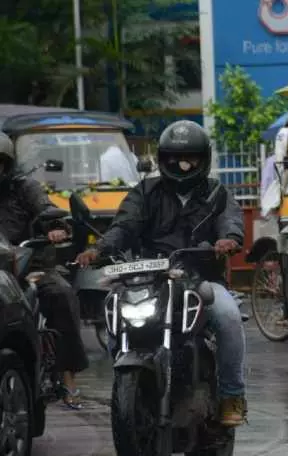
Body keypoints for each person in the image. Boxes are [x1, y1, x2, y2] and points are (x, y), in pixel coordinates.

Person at [75, 121, 248, 426]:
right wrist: (99, 250)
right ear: (162, 158)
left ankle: (232, 394)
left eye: (191, 158)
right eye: (173, 158)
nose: (182, 165)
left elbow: (230, 221)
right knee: (116, 311)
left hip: (200, 276)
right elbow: (124, 227)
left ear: (203, 159)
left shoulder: (217, 193)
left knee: (229, 316)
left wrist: (228, 240)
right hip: (150, 278)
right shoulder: (145, 191)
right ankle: (127, 383)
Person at [0, 132, 88, 409]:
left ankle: (67, 376)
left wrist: (56, 228)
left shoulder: (24, 188)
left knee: (60, 294)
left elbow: (47, 208)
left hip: (26, 266)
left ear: (7, 165)